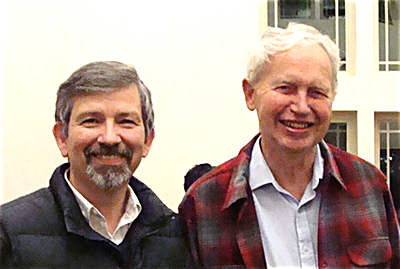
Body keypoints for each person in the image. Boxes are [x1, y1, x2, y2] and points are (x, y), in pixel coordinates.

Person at [179, 23, 400, 268]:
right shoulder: (203, 204)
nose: (302, 107)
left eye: (317, 92)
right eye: (286, 88)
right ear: (250, 94)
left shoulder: (369, 186)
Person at [0, 61, 190, 268]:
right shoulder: (9, 233)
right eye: (91, 121)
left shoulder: (180, 237)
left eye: (126, 121)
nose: (109, 138)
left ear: (147, 141)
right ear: (62, 138)